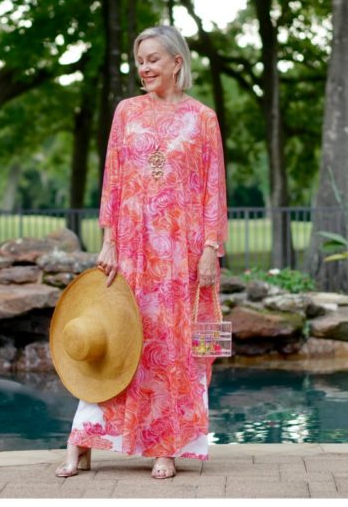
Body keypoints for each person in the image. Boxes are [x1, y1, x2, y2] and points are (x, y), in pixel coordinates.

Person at [55, 25, 227, 479]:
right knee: (116, 338)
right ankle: (86, 439)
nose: (144, 68)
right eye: (140, 60)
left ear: (177, 62)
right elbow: (113, 178)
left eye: (153, 59)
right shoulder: (127, 112)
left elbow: (214, 190)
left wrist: (211, 248)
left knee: (174, 346)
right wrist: (109, 240)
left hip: (182, 255)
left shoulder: (203, 118)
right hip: (132, 248)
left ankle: (166, 445)